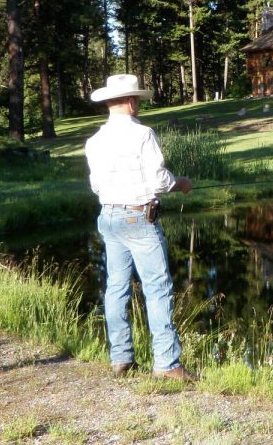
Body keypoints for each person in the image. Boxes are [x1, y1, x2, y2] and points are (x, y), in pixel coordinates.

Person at [85, 73, 196, 381]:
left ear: (109, 102)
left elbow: (96, 185)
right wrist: (181, 184)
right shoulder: (143, 134)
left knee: (116, 287)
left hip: (108, 217)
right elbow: (160, 181)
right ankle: (167, 364)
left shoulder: (94, 141)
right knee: (158, 289)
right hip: (138, 218)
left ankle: (120, 358)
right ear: (132, 102)